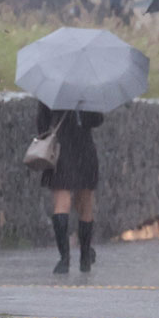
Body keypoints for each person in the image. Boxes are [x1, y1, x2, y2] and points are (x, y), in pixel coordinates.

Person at [36, 101, 104, 274]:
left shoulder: (54, 88)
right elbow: (97, 119)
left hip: (61, 149)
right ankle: (85, 256)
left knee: (61, 202)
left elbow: (42, 121)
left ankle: (64, 258)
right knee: (85, 203)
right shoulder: (88, 90)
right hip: (85, 149)